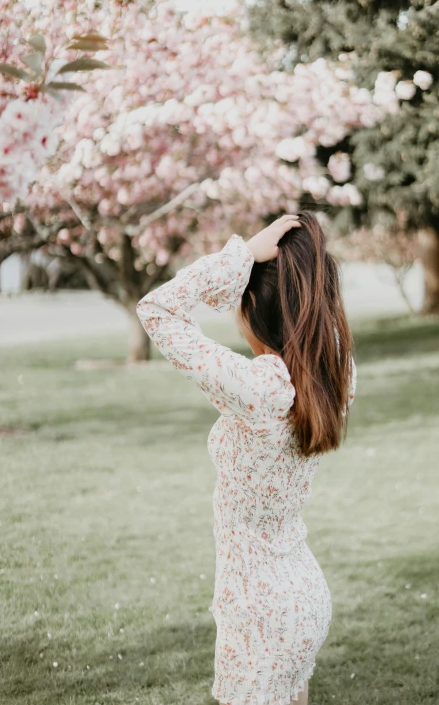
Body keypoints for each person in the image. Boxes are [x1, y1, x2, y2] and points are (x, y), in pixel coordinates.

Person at [136, 211, 357, 705]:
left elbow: (156, 309)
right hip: (301, 593)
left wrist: (241, 255)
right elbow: (320, 318)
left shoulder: (262, 389)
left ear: (252, 305)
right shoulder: (334, 375)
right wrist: (296, 266)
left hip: (259, 609)